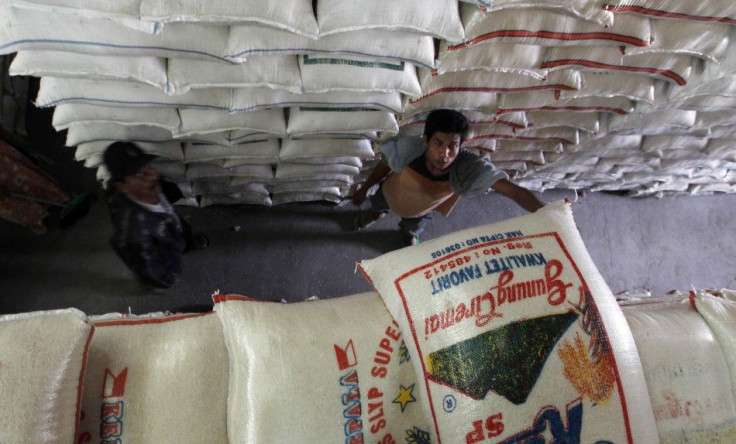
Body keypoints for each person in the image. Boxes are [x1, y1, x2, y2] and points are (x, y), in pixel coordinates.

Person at [351, 109, 546, 246]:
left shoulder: (466, 166)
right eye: (438, 143)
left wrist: (549, 214)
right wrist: (363, 189)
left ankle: (408, 235)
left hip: (422, 210)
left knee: (412, 228)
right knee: (378, 205)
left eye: (452, 146)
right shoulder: (408, 150)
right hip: (390, 193)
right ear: (426, 140)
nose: (445, 154)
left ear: (460, 146)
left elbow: (511, 190)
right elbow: (384, 165)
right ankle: (377, 214)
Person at [103, 142, 208, 289]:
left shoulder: (149, 190)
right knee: (167, 260)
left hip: (168, 223)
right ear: (123, 186)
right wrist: (167, 279)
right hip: (162, 249)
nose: (151, 176)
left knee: (181, 231)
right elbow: (146, 266)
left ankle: (189, 243)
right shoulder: (135, 232)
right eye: (139, 173)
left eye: (147, 167)